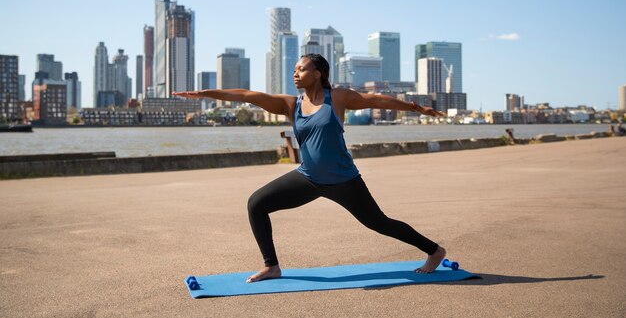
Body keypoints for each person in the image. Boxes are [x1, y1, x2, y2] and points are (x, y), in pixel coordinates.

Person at [174, 54, 447, 283]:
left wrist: (415, 107)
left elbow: (377, 99)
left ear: (317, 73)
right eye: (294, 70)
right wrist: (204, 94)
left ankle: (434, 251)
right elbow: (247, 95)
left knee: (379, 223)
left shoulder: (338, 98)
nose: (295, 74)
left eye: (301, 69)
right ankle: (272, 266)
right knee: (256, 204)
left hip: (344, 180)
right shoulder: (290, 104)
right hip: (308, 178)